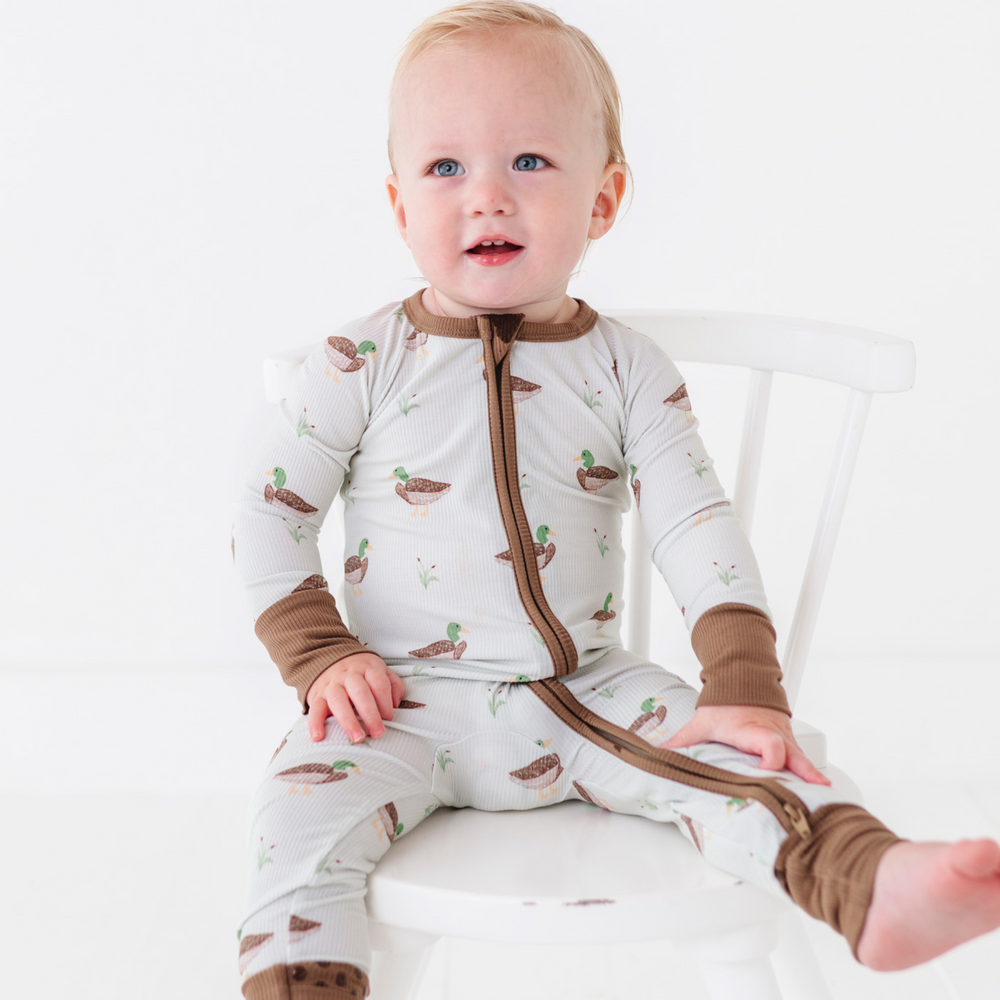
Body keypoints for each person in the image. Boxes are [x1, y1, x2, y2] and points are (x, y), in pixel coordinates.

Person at [231, 3, 1000, 997]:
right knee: (293, 811)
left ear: (604, 199)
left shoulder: (627, 370)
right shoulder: (360, 362)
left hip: (584, 693)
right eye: (446, 168)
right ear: (397, 203)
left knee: (750, 767)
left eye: (531, 163)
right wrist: (320, 652)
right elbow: (268, 506)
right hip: (401, 701)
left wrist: (739, 676)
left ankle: (870, 878)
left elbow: (694, 522)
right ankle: (302, 980)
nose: (488, 199)